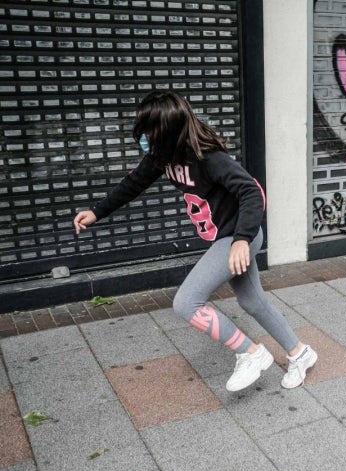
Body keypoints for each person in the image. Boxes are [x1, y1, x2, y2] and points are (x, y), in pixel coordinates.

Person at [73, 91, 317, 392]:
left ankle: (251, 354)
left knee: (186, 302)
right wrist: (97, 212)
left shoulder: (207, 157)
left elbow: (252, 192)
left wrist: (241, 240)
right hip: (229, 237)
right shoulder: (162, 157)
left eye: (149, 131)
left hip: (237, 236)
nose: (144, 138)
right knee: (252, 301)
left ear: (167, 131)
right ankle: (301, 354)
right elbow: (133, 184)